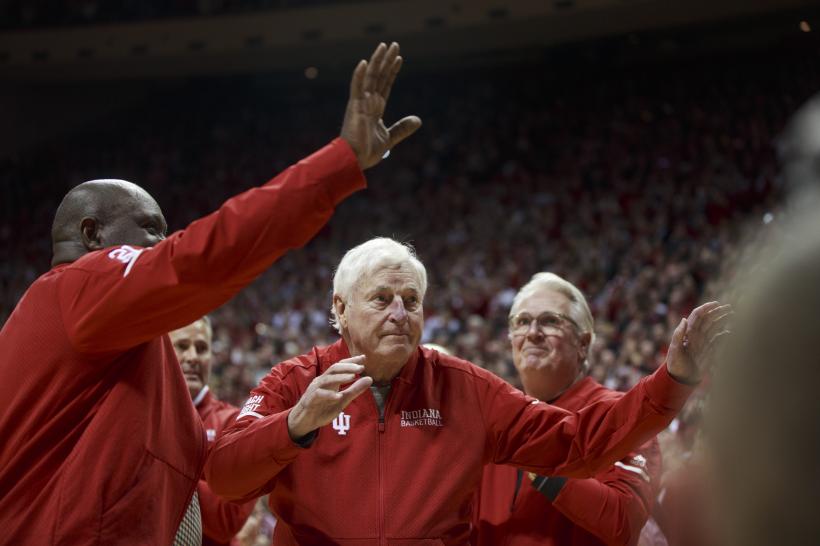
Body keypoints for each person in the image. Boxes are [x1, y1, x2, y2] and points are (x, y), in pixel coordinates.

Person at [0, 42, 420, 545]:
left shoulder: (120, 350)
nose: (161, 244)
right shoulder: (79, 285)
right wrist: (337, 166)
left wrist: (295, 424)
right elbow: (199, 258)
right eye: (150, 231)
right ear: (92, 236)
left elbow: (215, 486)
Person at [205, 237, 726, 545]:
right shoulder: (294, 382)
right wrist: (295, 426)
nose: (399, 313)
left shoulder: (464, 388)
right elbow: (226, 475)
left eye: (411, 300)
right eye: (382, 298)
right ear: (339, 308)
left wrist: (671, 380)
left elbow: (578, 439)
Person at [473, 272, 670, 546]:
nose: (532, 333)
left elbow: (624, 523)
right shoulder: (493, 421)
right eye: (522, 322)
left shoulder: (623, 415)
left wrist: (541, 458)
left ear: (583, 343)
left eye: (550, 321)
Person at [169, 316, 257, 546]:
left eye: (201, 348)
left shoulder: (235, 423)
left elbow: (227, 519)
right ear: (163, 352)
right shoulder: (143, 414)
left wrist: (162, 463)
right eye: (182, 346)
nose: (192, 357)